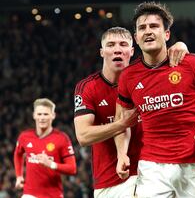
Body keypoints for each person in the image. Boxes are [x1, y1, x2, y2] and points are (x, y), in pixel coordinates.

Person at [115, 2, 195, 198]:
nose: (148, 32)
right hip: (152, 167)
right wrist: (122, 154)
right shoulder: (128, 77)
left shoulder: (190, 63)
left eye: (154, 26)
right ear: (136, 38)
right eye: (142, 28)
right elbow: (123, 121)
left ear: (167, 34)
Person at [73, 26, 188, 197]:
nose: (117, 49)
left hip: (153, 173)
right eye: (110, 45)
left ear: (132, 50)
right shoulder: (88, 87)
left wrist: (181, 45)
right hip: (111, 180)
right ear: (102, 52)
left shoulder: (146, 77)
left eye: (123, 44)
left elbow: (167, 57)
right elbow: (83, 136)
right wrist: (121, 124)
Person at [13, 98, 77, 198]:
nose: (42, 118)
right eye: (39, 114)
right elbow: (18, 154)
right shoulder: (24, 137)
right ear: (34, 115)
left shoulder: (61, 138)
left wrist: (51, 164)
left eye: (46, 114)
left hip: (53, 194)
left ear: (53, 115)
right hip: (29, 194)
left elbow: (72, 169)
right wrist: (19, 176)